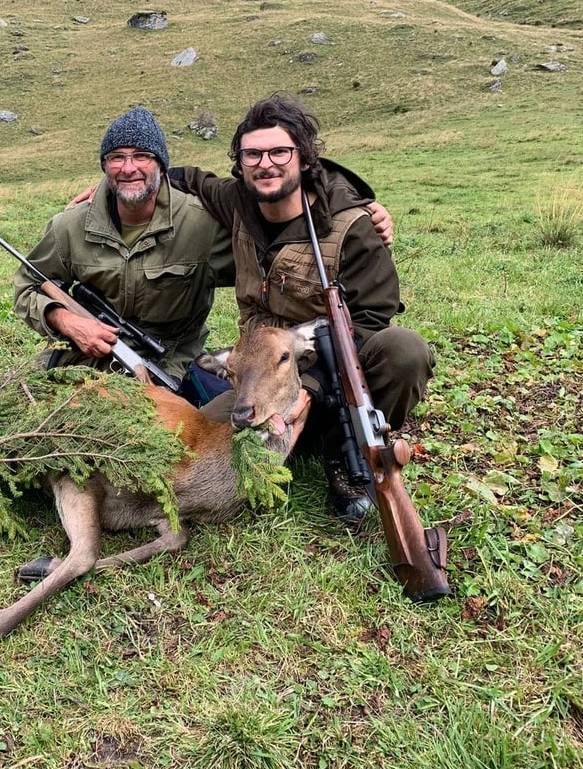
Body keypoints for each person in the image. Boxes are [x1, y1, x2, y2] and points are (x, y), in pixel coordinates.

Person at [167, 94, 435, 524]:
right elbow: (191, 179)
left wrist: (309, 385)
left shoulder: (352, 227)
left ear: (304, 159)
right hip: (265, 375)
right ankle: (289, 437)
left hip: (336, 368)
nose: (265, 163)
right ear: (240, 161)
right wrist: (114, 185)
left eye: (279, 151)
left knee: (404, 351)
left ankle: (340, 447)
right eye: (252, 154)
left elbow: (370, 320)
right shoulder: (238, 200)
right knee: (201, 440)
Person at [12, 106, 393, 408]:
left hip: (170, 360)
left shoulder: (203, 223)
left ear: (161, 165)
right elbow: (28, 284)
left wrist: (353, 206)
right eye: (117, 158)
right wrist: (65, 320)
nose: (128, 167)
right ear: (104, 167)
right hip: (83, 351)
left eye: (142, 156)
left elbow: (277, 244)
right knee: (26, 402)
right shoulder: (68, 226)